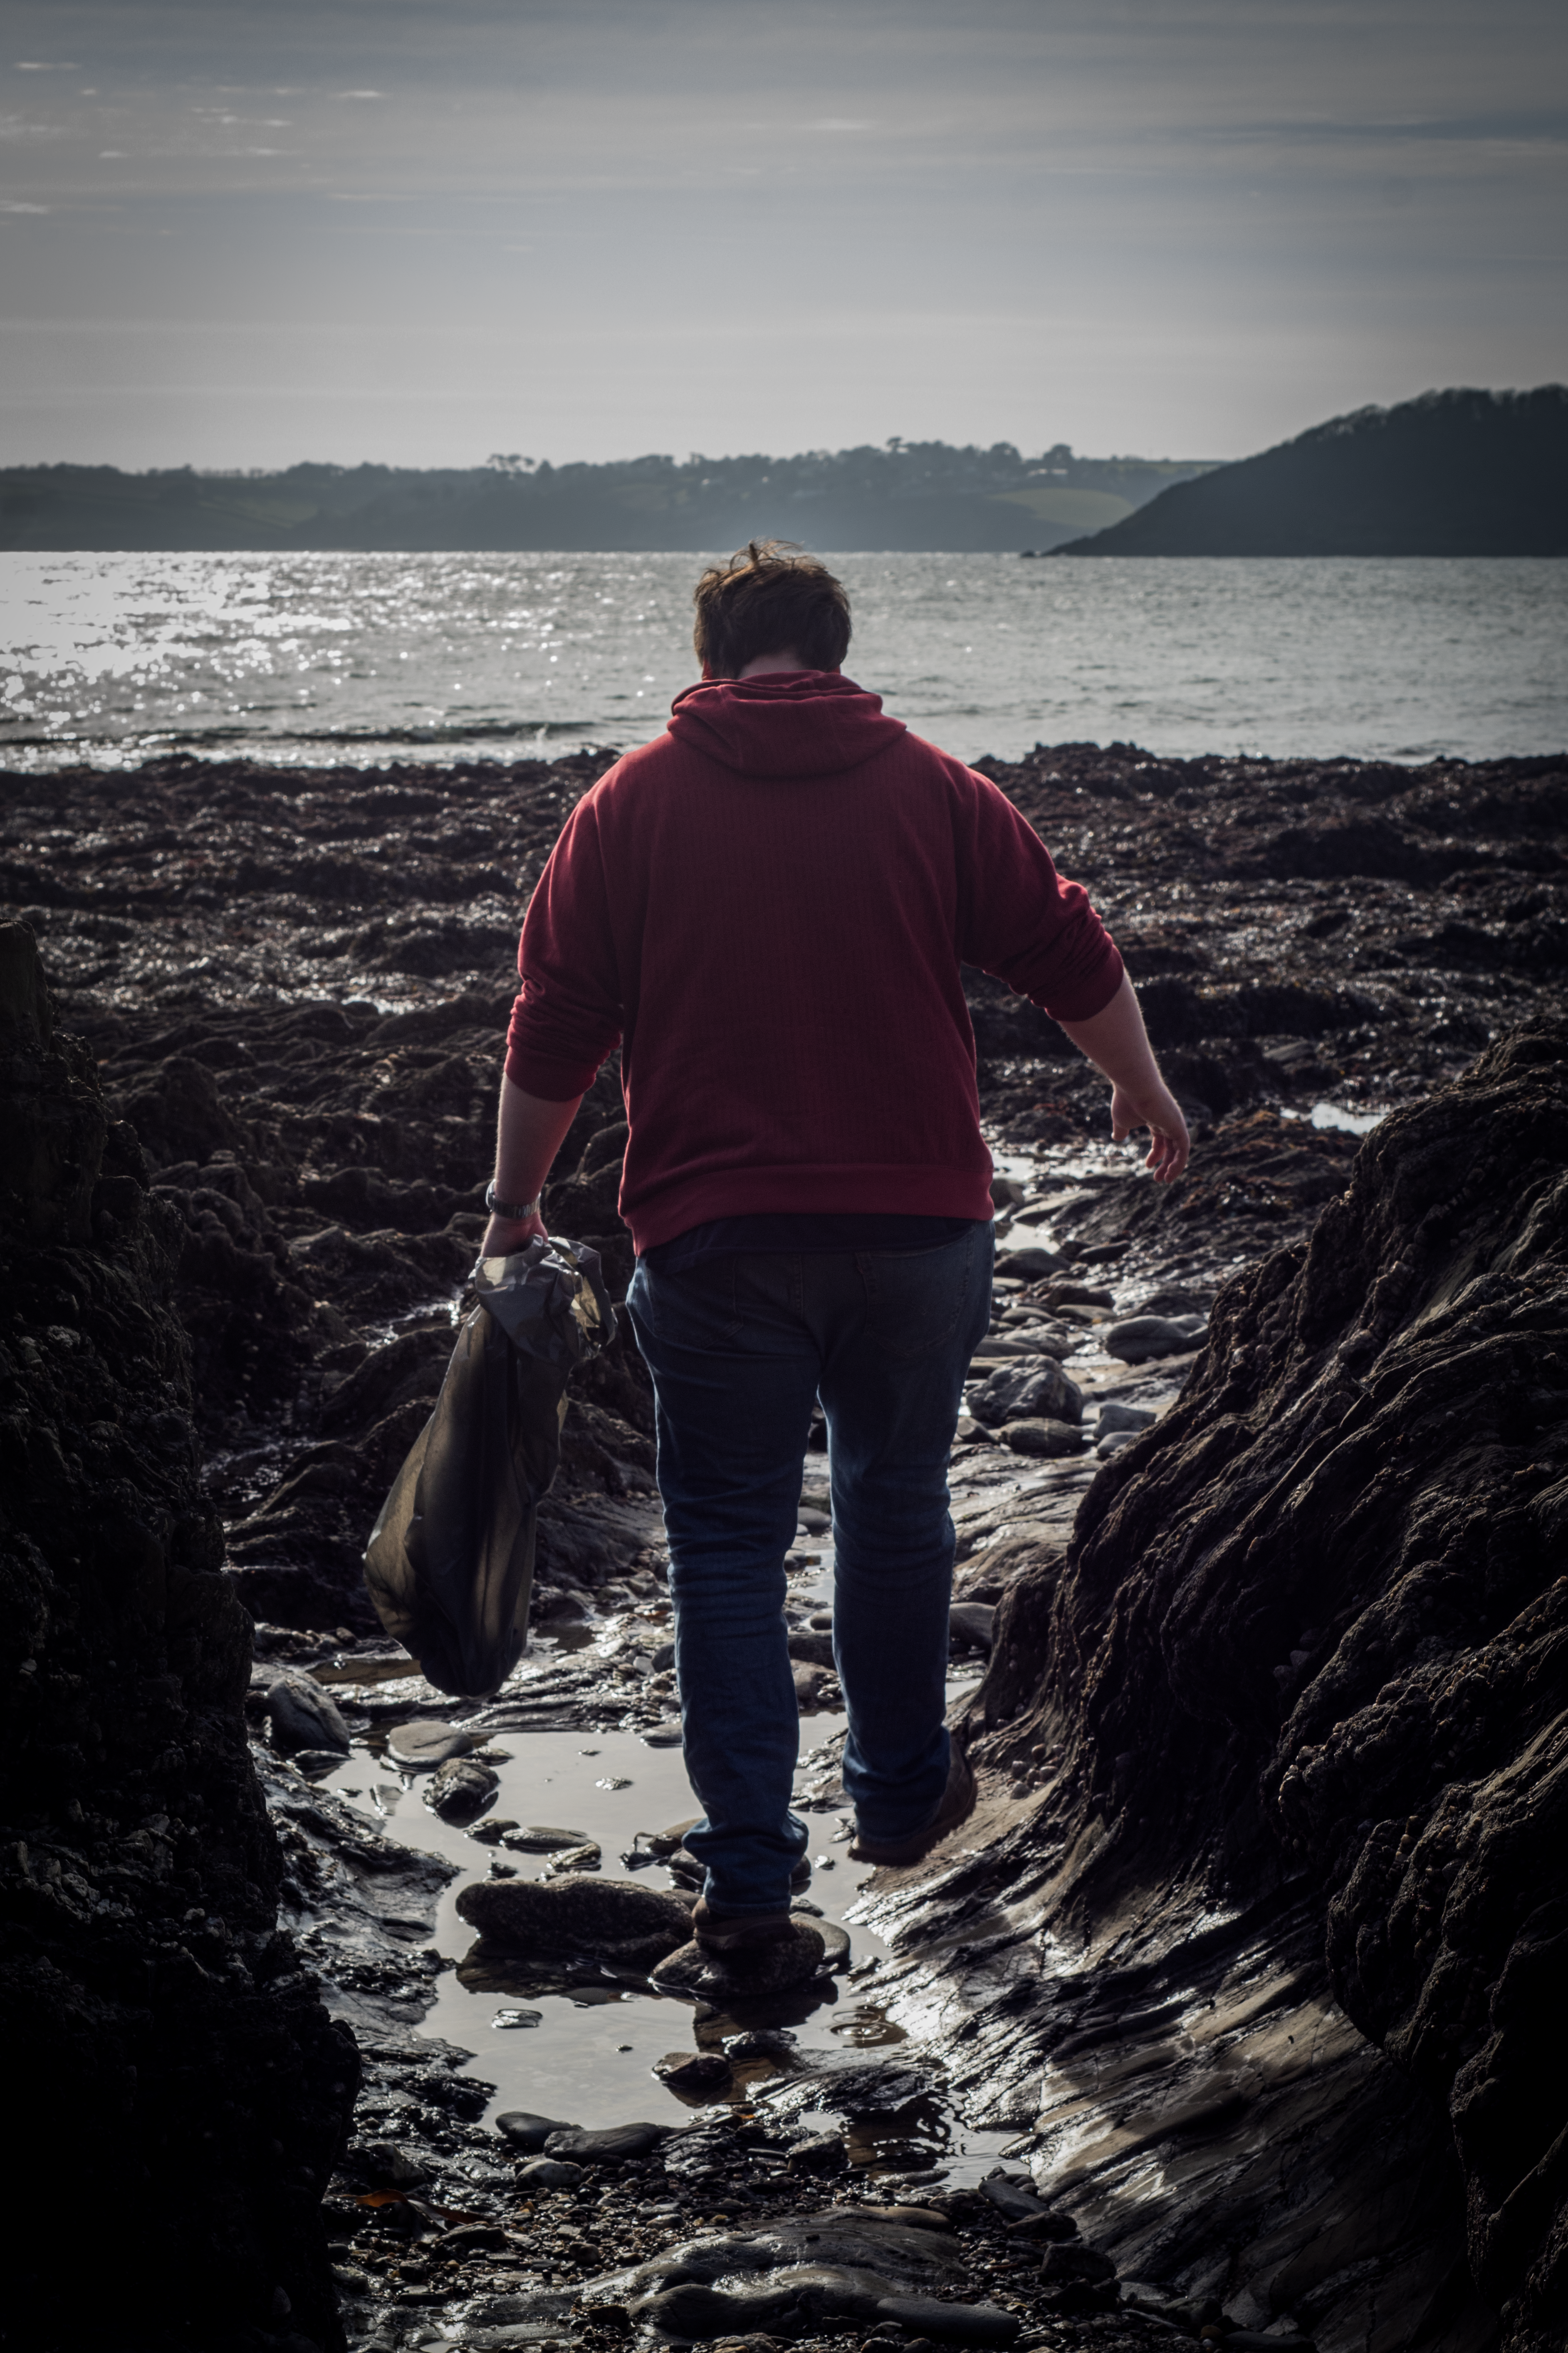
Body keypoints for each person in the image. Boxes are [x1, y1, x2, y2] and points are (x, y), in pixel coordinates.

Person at [480, 542, 1189, 1990]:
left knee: (728, 1550)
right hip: (919, 1229)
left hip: (715, 1237)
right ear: (835, 645)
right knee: (894, 1499)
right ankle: (899, 1793)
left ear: (713, 652)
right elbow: (1065, 941)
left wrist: (511, 1205)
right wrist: (1146, 1088)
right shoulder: (931, 786)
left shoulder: (631, 805)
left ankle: (746, 1887)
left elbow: (556, 1021)